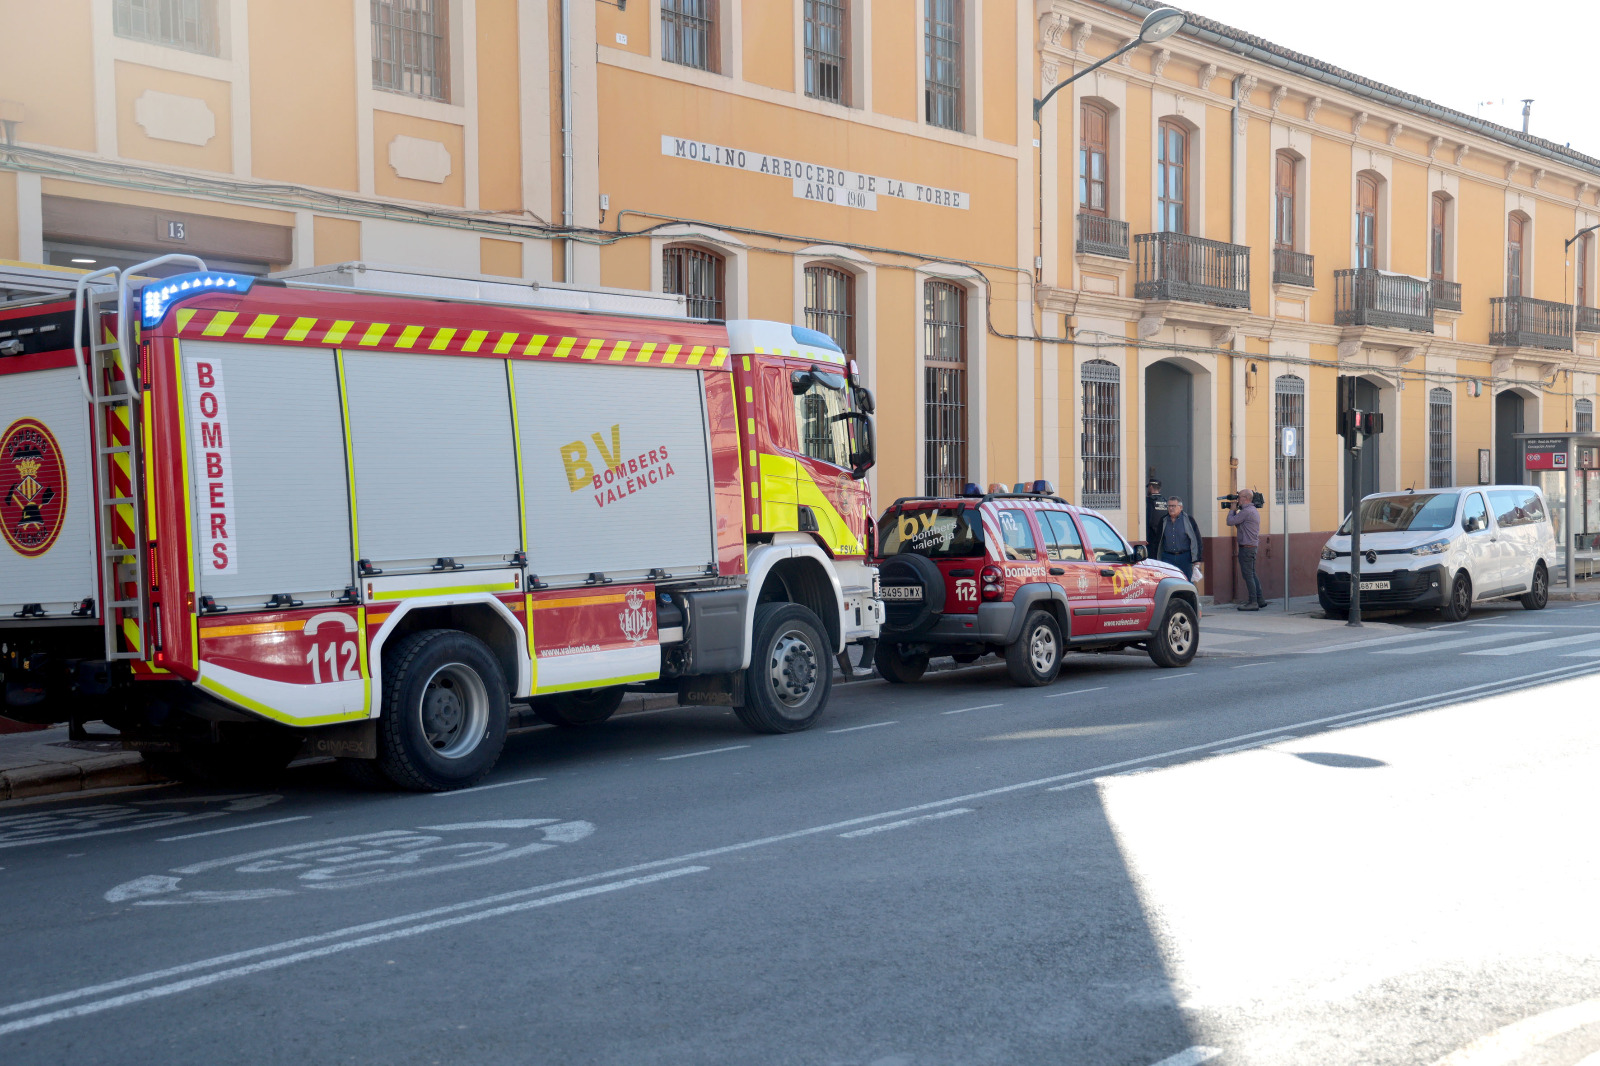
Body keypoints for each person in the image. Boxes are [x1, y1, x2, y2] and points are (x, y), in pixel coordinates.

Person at [1228, 490, 1267, 610]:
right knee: (1252, 574)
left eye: (1239, 497)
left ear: (1246, 498)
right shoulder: (1251, 510)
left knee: (1248, 575)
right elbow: (1239, 524)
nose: (1237, 499)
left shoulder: (1246, 511)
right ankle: (1259, 599)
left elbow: (1230, 521)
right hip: (1251, 547)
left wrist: (1232, 510)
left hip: (1247, 548)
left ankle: (1253, 602)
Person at [1151, 496, 1202, 581]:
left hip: (1184, 557)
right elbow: (1157, 541)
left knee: (1186, 581)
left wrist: (1197, 560)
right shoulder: (1163, 520)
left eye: (1173, 506)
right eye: (1169, 506)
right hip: (1167, 557)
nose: (1171, 508)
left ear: (1180, 507)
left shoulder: (1188, 520)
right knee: (1168, 581)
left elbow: (1197, 540)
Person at [1145, 478, 1165, 544]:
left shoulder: (1148, 501)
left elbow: (1148, 520)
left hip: (1151, 536)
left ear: (1150, 487)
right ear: (1160, 489)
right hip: (1163, 535)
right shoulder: (1165, 501)